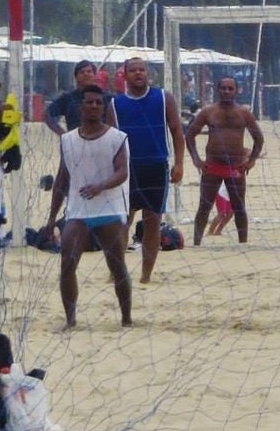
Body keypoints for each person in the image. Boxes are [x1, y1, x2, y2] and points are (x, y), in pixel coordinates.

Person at [44, 84, 132, 329]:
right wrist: (51, 217)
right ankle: (70, 320)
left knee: (117, 266)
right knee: (67, 263)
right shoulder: (68, 140)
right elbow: (62, 179)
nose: (94, 106)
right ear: (80, 107)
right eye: (89, 102)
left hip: (109, 210)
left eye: (98, 103)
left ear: (103, 108)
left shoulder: (117, 138)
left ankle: (126, 318)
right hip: (78, 211)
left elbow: (123, 172)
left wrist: (101, 186)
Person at [110, 55, 186, 282]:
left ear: (148, 73)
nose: (138, 73)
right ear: (125, 75)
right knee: (123, 222)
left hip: (156, 166)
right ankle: (117, 272)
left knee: (152, 222)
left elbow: (177, 131)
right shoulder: (115, 104)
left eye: (142, 69)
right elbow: (110, 140)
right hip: (127, 169)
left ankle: (145, 276)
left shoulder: (163, 98)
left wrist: (179, 163)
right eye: (133, 70)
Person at [186, 75, 263, 246]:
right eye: (223, 88)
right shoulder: (208, 112)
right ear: (217, 90)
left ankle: (243, 243)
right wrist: (196, 159)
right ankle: (197, 243)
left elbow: (259, 138)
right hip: (212, 167)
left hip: (235, 167)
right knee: (204, 206)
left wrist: (252, 160)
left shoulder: (244, 113)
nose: (226, 92)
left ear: (236, 91)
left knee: (239, 207)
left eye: (230, 88)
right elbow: (190, 135)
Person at [47, 60, 104, 136]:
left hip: (101, 139)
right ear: (76, 77)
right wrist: (63, 135)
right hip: (75, 140)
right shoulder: (68, 98)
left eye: (89, 71)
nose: (86, 74)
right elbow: (47, 115)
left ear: (94, 75)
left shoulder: (104, 97)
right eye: (82, 72)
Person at [0, 89, 23, 174]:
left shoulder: (11, 118)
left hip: (9, 144)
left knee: (12, 163)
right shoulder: (8, 117)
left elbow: (11, 136)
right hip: (9, 144)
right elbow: (11, 137)